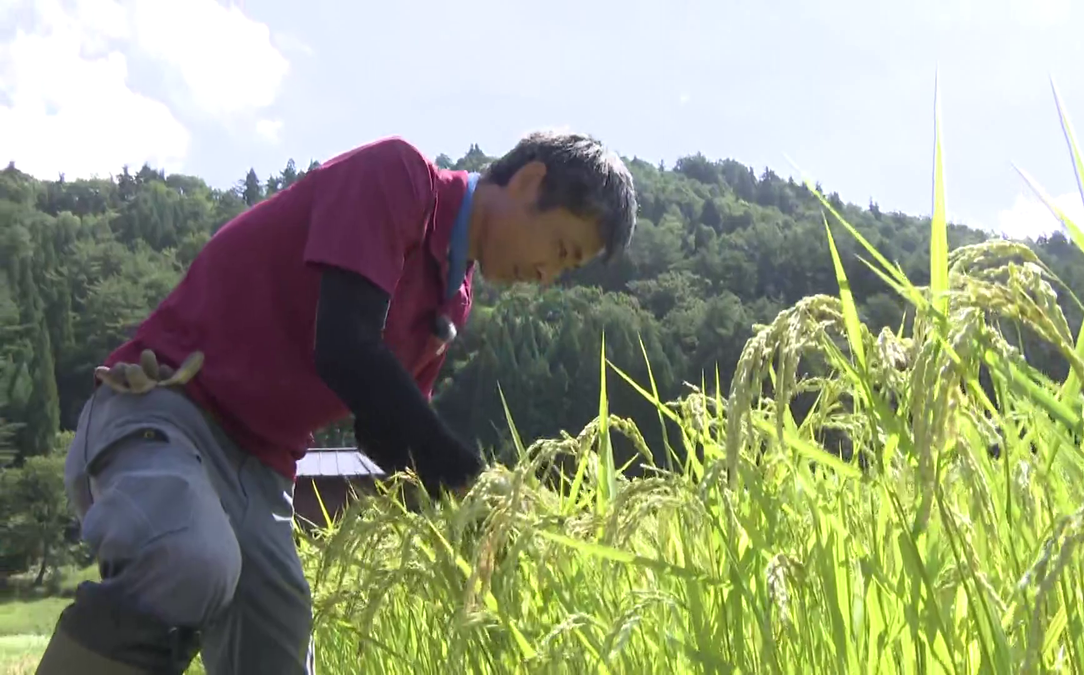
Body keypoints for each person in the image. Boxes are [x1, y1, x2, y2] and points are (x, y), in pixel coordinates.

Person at [35, 129, 638, 675]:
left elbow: (385, 432)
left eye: (567, 268)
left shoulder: (451, 303)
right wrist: (470, 479)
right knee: (191, 560)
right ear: (531, 181)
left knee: (279, 642)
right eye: (560, 249)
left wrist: (473, 524)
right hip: (165, 411)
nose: (547, 276)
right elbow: (345, 348)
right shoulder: (400, 179)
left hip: (262, 469)